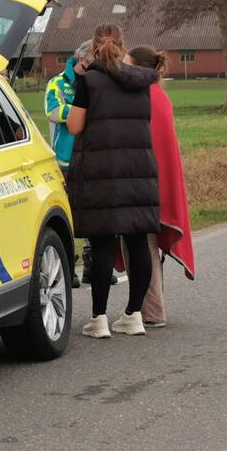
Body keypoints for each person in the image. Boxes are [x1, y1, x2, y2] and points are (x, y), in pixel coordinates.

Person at [66, 23, 159, 338]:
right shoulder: (142, 82)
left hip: (100, 170)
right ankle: (134, 316)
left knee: (103, 241)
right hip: (138, 168)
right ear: (122, 45)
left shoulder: (89, 81)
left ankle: (99, 319)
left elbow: (75, 126)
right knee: (137, 240)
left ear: (94, 47)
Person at [125, 45, 196, 327]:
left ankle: (152, 310)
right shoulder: (157, 95)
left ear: (139, 69)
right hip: (150, 182)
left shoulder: (146, 97)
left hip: (145, 184)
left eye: (127, 65)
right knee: (143, 246)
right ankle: (148, 306)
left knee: (141, 246)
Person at [44, 40, 116, 289]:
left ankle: (91, 263)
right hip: (64, 159)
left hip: (91, 155)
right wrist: (81, 111)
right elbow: (53, 111)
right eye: (88, 64)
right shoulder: (57, 83)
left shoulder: (96, 80)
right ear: (79, 60)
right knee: (68, 213)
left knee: (92, 211)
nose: (90, 68)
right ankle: (69, 265)